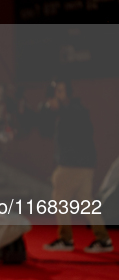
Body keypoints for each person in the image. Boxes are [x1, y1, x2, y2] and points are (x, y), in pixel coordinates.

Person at [39, 79, 113, 253]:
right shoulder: (66, 113)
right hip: (83, 165)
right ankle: (103, 239)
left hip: (72, 165)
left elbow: (74, 130)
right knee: (86, 203)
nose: (57, 95)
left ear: (68, 93)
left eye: (61, 91)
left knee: (60, 200)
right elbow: (46, 131)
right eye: (56, 91)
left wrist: (56, 110)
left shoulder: (75, 111)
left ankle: (66, 239)